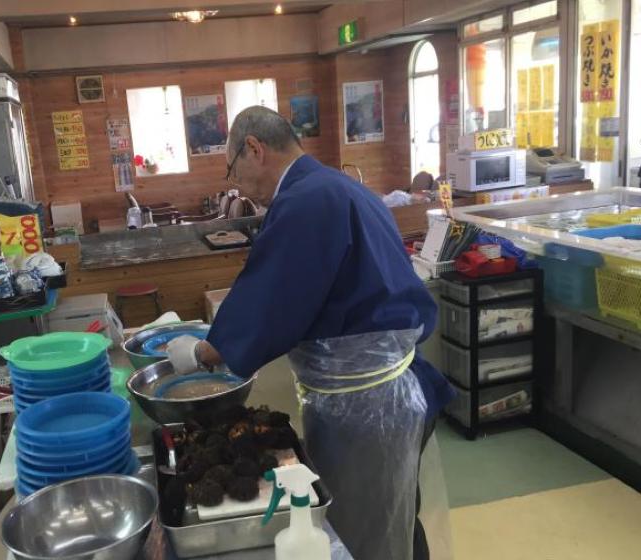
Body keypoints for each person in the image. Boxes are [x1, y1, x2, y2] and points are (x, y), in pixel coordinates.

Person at [167, 106, 454, 560]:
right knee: (393, 517)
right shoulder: (341, 187)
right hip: (395, 393)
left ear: (254, 149)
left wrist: (203, 352)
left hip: (369, 406)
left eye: (232, 170)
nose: (237, 184)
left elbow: (273, 300)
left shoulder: (305, 201)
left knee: (367, 534)